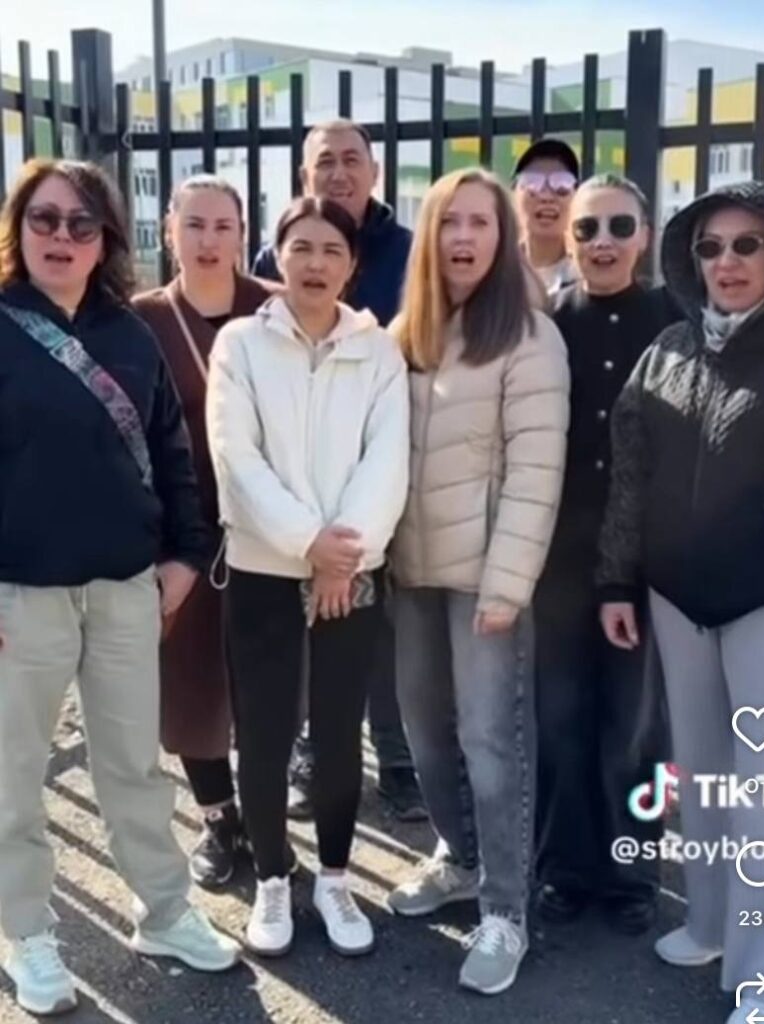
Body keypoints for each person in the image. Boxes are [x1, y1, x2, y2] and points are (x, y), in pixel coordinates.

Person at [0, 158, 240, 1017]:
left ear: (105, 239)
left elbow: (174, 451)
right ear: (18, 228)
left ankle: (165, 912)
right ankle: (28, 932)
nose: (61, 237)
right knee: (13, 775)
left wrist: (185, 558)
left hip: (125, 587)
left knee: (135, 766)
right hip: (19, 597)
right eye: (44, 219)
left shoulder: (131, 334)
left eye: (81, 223)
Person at [599, 181, 764, 1024]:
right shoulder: (669, 349)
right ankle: (714, 923)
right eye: (711, 247)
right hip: (676, 600)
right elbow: (631, 476)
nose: (726, 262)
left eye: (747, 244)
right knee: (705, 778)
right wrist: (617, 580)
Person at [207, 196, 409, 958]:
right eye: (301, 248)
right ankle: (271, 877)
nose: (316, 263)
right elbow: (237, 458)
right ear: (276, 256)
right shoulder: (241, 344)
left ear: (353, 264)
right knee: (262, 732)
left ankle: (333, 876)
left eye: (332, 250)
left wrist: (341, 554)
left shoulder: (378, 350)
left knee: (337, 732)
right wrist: (308, 543)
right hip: (264, 566)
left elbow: (388, 461)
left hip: (350, 573)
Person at [387, 168, 570, 995]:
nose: (463, 237)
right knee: (428, 736)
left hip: (486, 581)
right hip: (412, 574)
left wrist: (507, 585)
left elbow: (535, 472)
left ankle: (506, 909)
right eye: (448, 222)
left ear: (502, 238)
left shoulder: (528, 337)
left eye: (480, 223)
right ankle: (460, 860)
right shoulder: (408, 335)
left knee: (493, 746)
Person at [253, 119, 422, 821]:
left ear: (375, 173)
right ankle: (310, 754)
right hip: (301, 472)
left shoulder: (409, 251)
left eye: (353, 160)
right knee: (303, 622)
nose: (340, 173)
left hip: (388, 458)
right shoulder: (278, 249)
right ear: (305, 176)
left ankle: (398, 758)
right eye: (325, 162)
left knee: (383, 625)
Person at [533, 174, 678, 935]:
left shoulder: (677, 322)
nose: (603, 242)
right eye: (587, 228)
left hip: (646, 562)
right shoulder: (545, 325)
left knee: (635, 726)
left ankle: (632, 871)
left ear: (645, 236)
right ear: (568, 238)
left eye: (620, 226)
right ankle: (564, 867)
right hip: (558, 559)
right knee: (559, 719)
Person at [134, 174, 281, 889]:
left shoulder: (275, 307)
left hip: (271, 529)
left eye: (224, 226)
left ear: (243, 234)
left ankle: (265, 815)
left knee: (267, 682)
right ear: (171, 231)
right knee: (190, 680)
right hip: (182, 534)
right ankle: (219, 819)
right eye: (194, 224)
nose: (209, 240)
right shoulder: (142, 319)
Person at [512, 137, 579, 298]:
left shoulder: (587, 273)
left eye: (561, 185)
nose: (546, 197)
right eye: (532, 184)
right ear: (513, 195)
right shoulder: (492, 270)